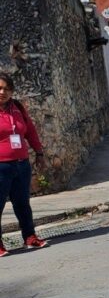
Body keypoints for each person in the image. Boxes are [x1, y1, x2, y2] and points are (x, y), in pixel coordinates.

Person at [0, 72, 48, 256]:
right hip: (1, 166)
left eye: (6, 88)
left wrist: (39, 152)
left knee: (22, 203)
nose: (2, 92)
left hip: (21, 164)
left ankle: (30, 237)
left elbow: (30, 131)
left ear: (12, 91)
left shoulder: (17, 108)